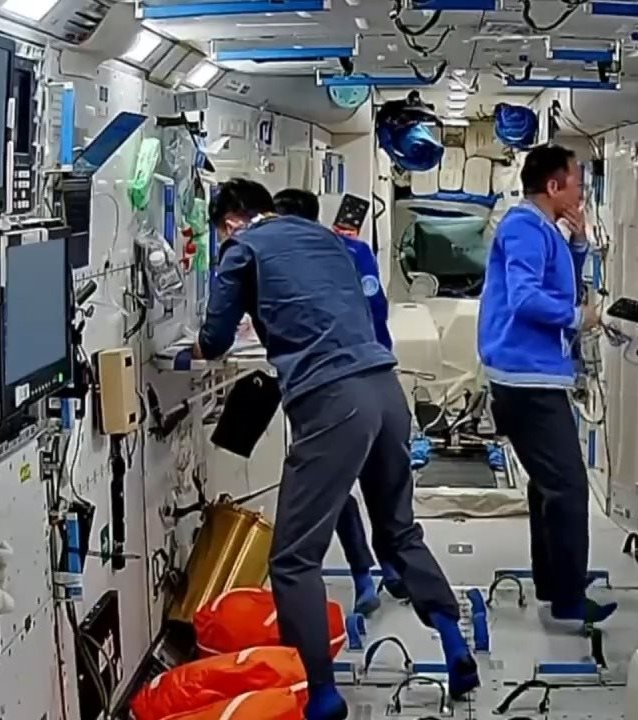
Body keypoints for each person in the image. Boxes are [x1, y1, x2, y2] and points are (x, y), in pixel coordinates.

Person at [196, 179, 479, 720]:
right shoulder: (328, 239)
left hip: (334, 402)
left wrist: (192, 349)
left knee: (294, 558)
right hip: (385, 389)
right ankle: (453, 641)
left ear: (231, 221)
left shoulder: (242, 248)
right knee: (399, 531)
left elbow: (215, 340)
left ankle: (322, 695)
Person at [476, 144, 617, 626]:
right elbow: (526, 298)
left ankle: (553, 582)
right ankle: (568, 599)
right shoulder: (523, 228)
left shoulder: (544, 230)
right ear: (553, 186)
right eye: (576, 182)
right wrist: (580, 317)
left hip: (534, 373)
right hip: (526, 379)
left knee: (547, 486)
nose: (581, 191)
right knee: (569, 488)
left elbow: (555, 285)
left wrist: (577, 246)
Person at [271, 187, 406, 615]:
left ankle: (364, 574)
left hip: (327, 384)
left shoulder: (290, 259)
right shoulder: (353, 250)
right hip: (377, 373)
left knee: (337, 487)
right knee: (384, 482)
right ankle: (392, 567)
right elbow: (376, 306)